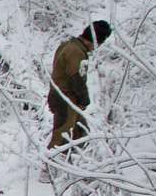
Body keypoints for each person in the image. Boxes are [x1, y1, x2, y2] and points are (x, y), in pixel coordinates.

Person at [47, 20, 110, 149]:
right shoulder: (76, 51)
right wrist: (84, 100)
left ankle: (74, 165)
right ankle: (51, 165)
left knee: (81, 133)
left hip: (61, 95)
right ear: (95, 41)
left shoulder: (67, 46)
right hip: (66, 98)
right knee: (62, 138)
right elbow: (76, 79)